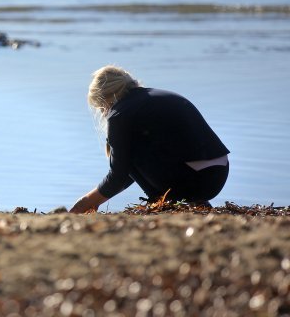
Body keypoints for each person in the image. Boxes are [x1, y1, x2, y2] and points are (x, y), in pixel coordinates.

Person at [70, 66, 230, 214]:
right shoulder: (159, 96)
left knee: (128, 151)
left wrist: (87, 202)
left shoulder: (119, 113)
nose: (103, 114)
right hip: (219, 174)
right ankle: (200, 205)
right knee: (135, 150)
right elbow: (131, 172)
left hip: (191, 182)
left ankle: (162, 204)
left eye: (99, 108)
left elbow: (119, 175)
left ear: (104, 101)